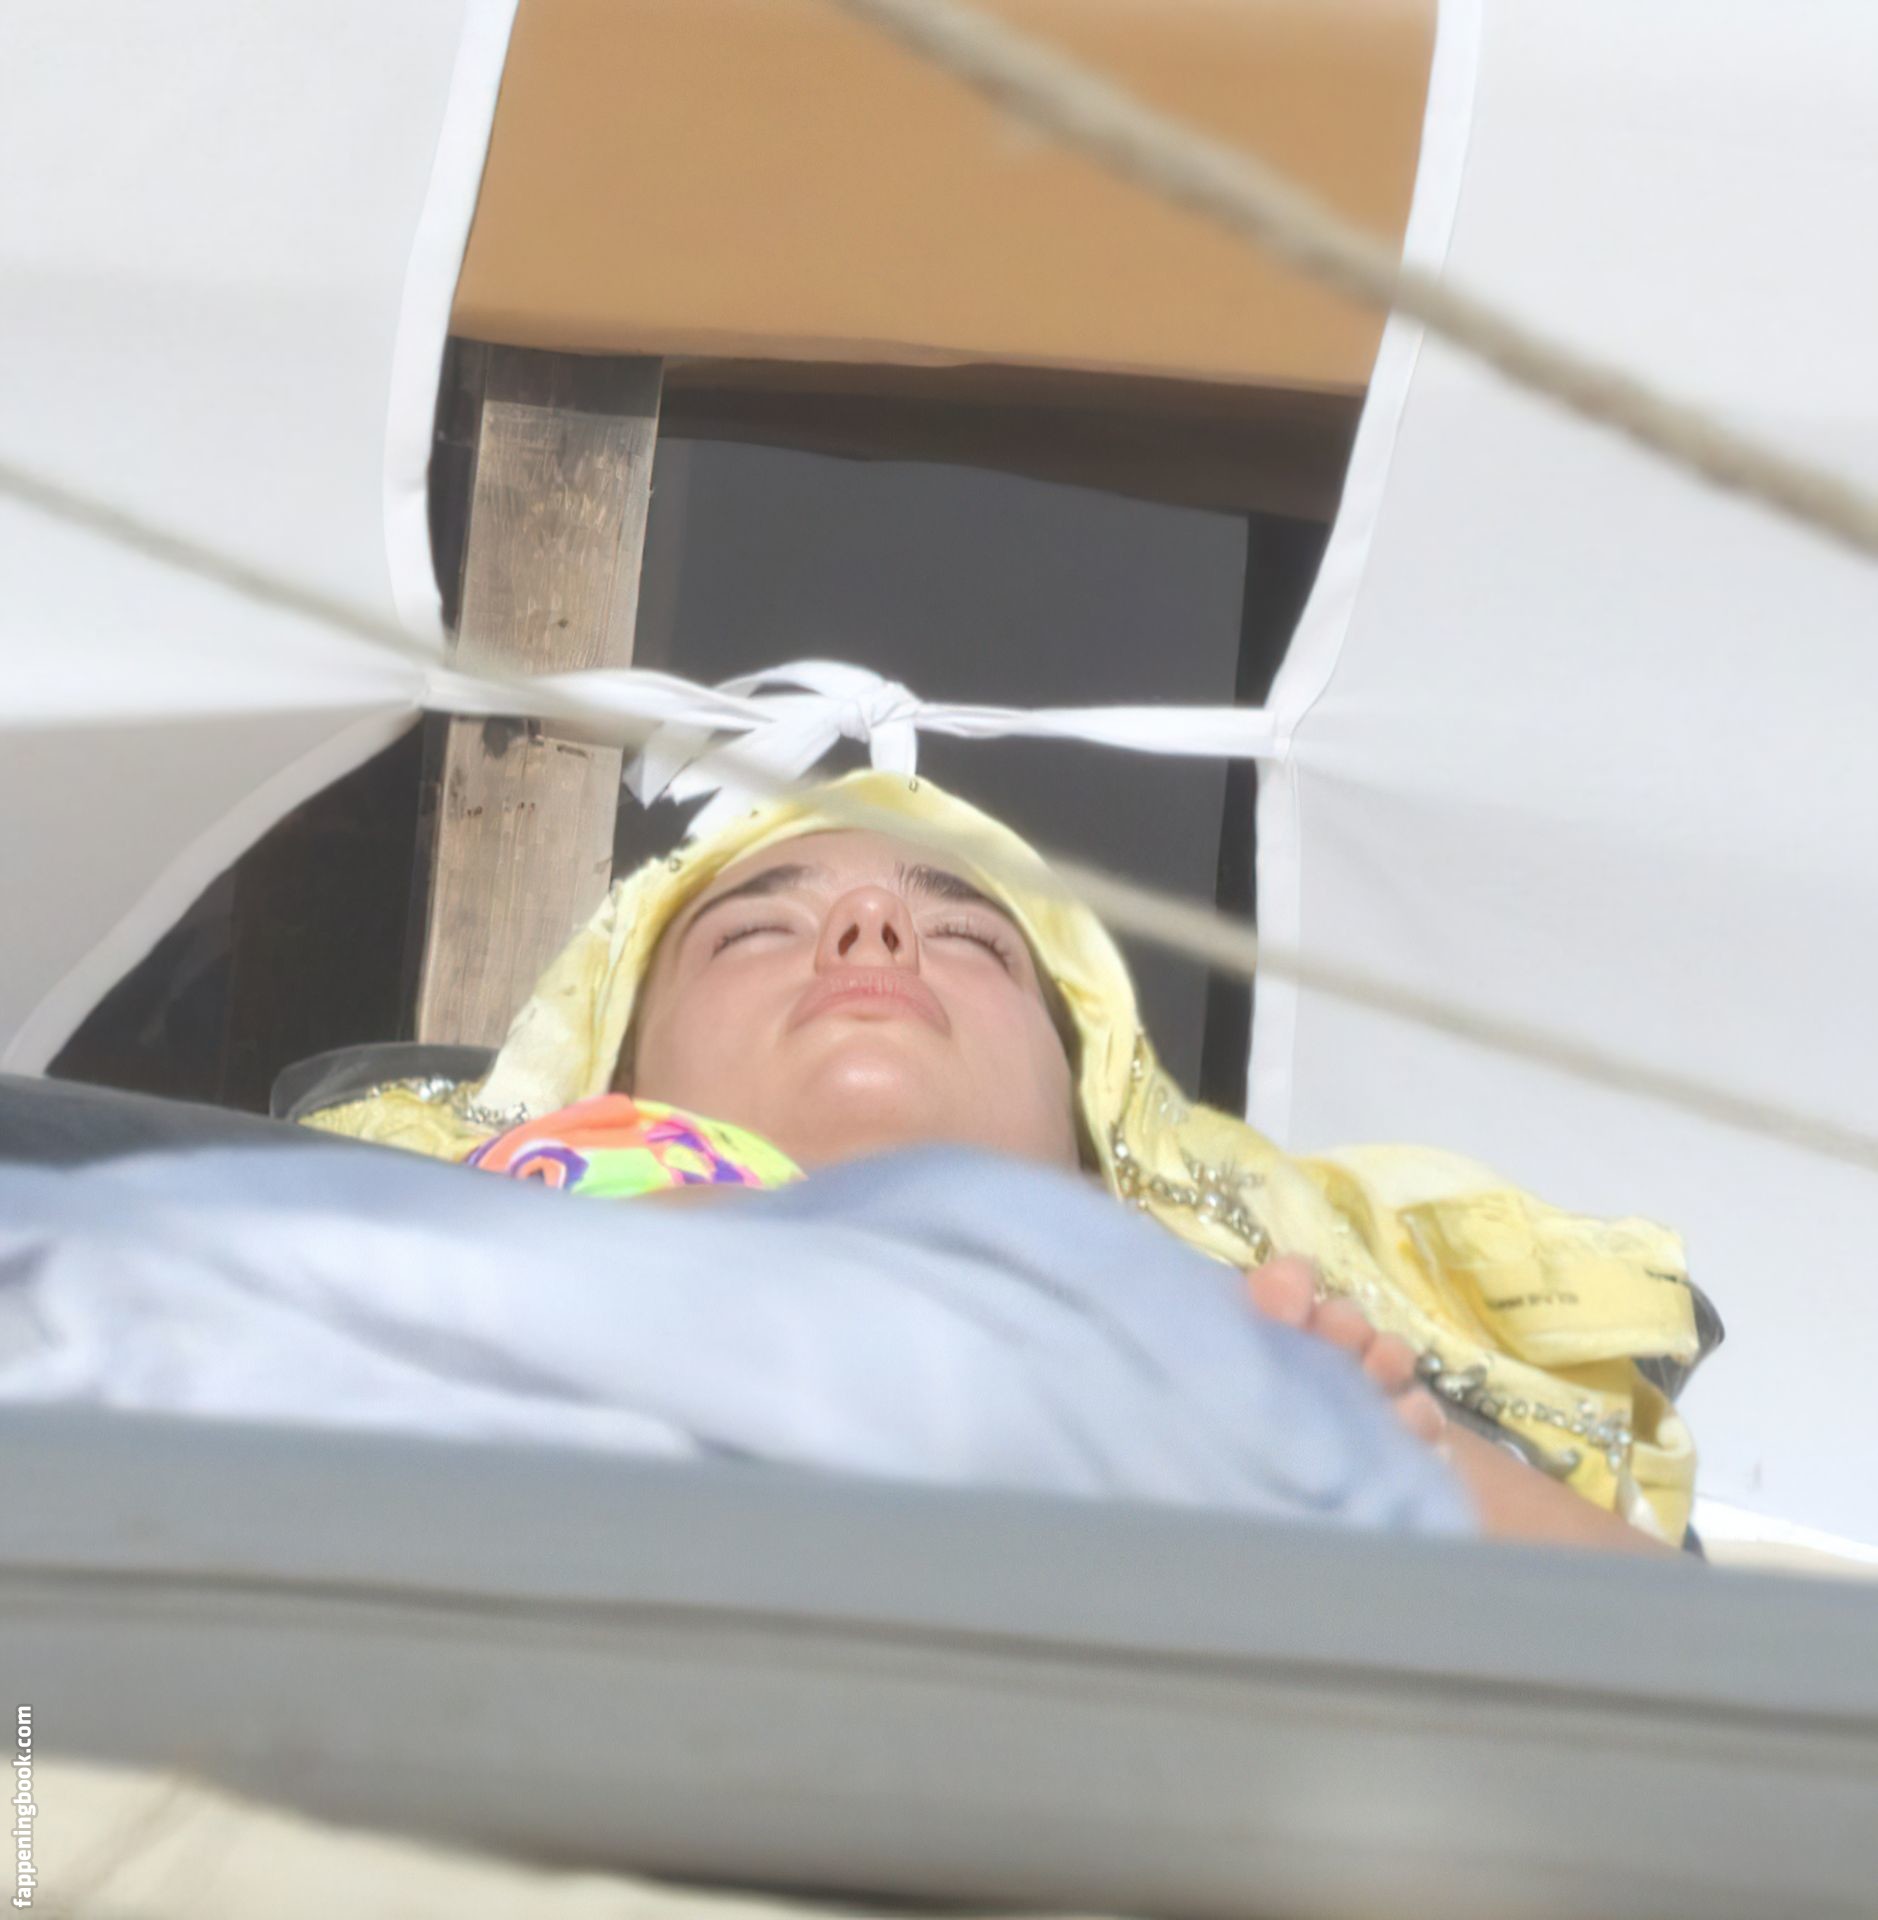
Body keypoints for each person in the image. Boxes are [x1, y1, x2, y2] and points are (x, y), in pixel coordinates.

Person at [306, 771, 1710, 1552]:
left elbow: (1682, 1659)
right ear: (616, 1070)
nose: (870, 934)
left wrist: (1371, 1459)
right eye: (755, 928)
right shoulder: (495, 1242)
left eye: (970, 936)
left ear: (1097, 1138)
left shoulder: (1239, 1327)